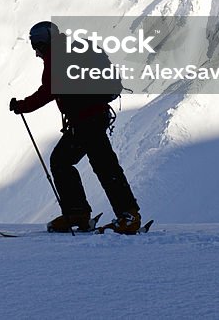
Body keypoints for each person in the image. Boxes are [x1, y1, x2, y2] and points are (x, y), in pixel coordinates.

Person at [9, 20, 142, 234]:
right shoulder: (67, 51)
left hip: (87, 121)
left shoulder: (59, 56)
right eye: (35, 45)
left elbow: (49, 90)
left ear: (48, 40)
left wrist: (23, 105)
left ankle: (125, 216)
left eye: (39, 44)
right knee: (77, 162)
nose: (37, 51)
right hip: (88, 120)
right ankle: (89, 213)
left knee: (98, 166)